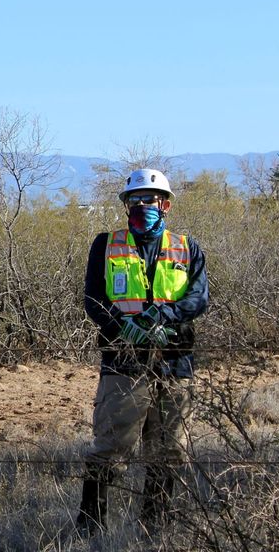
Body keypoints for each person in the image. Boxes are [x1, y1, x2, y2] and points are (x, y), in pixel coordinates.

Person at [76, 168, 209, 535]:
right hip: (123, 362)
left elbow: (199, 298)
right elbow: (93, 299)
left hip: (175, 361)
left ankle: (155, 528)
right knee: (110, 448)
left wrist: (165, 316)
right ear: (126, 205)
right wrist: (123, 326)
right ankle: (90, 528)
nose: (141, 206)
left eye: (149, 200)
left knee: (169, 450)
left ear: (165, 205)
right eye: (134, 200)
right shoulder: (106, 245)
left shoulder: (186, 247)